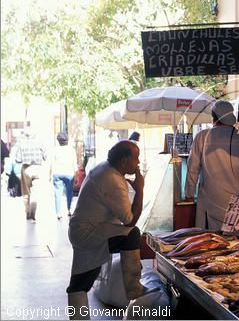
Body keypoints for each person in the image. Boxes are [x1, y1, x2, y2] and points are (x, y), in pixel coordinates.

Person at [66, 140, 157, 320]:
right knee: (132, 234)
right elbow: (130, 221)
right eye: (136, 158)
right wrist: (140, 190)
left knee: (80, 283)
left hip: (89, 229)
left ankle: (132, 287)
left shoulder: (107, 169)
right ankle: (133, 288)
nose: (138, 163)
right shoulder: (112, 179)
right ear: (123, 161)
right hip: (88, 233)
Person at [185, 100, 239, 230]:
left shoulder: (202, 137)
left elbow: (193, 170)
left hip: (212, 200)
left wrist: (189, 194)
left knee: (213, 241)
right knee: (237, 243)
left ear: (214, 117)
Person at [15, 126, 47, 222]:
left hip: (26, 168)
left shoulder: (21, 144)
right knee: (35, 192)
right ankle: (33, 212)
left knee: (26, 192)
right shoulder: (40, 142)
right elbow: (45, 156)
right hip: (37, 168)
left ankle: (27, 213)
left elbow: (18, 159)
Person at [51, 132, 78, 219]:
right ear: (67, 141)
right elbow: (74, 164)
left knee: (57, 193)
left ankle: (58, 213)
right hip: (69, 173)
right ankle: (69, 210)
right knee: (69, 192)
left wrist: (49, 173)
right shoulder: (71, 150)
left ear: (58, 141)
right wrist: (76, 174)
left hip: (57, 173)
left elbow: (52, 163)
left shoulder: (55, 150)